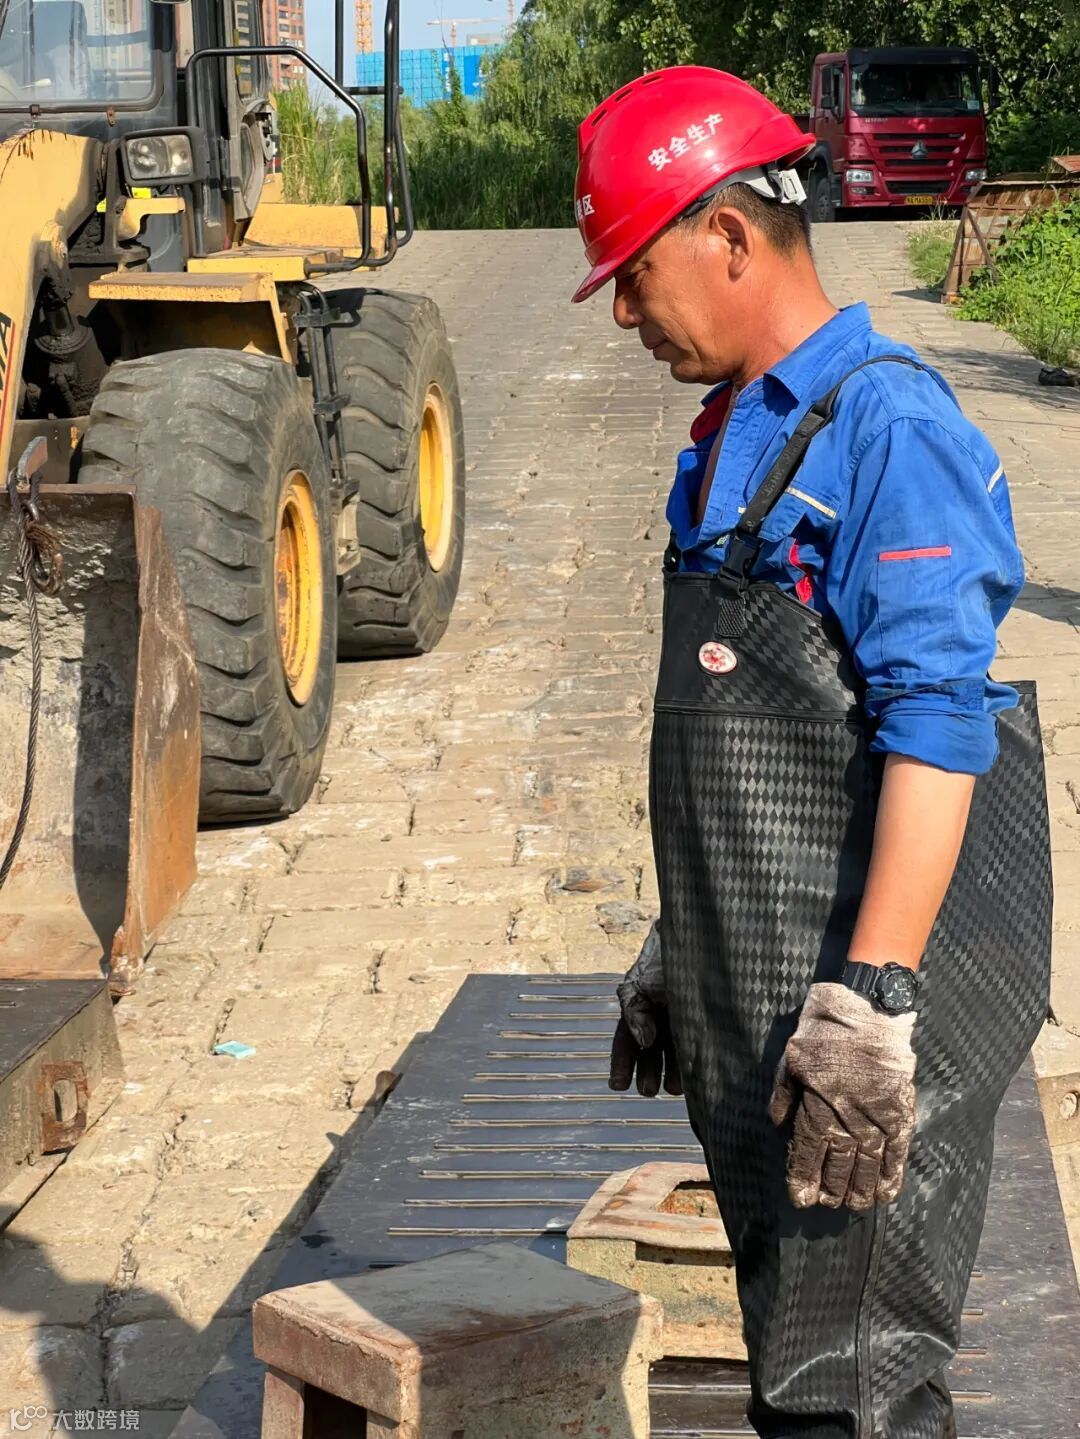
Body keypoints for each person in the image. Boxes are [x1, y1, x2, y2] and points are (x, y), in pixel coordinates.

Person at [572, 66, 1052, 1439]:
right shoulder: (738, 427)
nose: (624, 313)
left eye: (634, 272)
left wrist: (871, 1008)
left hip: (861, 1002)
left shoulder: (891, 430)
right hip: (764, 973)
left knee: (856, 1384)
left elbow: (937, 734)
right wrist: (689, 937)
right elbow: (755, 743)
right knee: (796, 1349)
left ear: (729, 237)